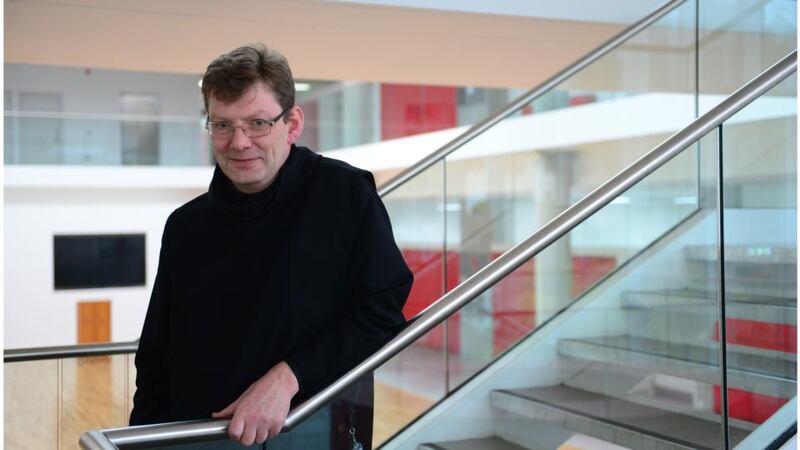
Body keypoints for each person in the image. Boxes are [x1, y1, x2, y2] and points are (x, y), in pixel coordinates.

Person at [130, 43, 413, 449]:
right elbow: (155, 358)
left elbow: (381, 310)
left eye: (257, 123)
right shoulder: (185, 225)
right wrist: (140, 440)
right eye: (222, 125)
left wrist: (290, 375)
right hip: (194, 436)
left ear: (292, 123)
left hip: (309, 427)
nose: (239, 142)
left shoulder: (345, 194)